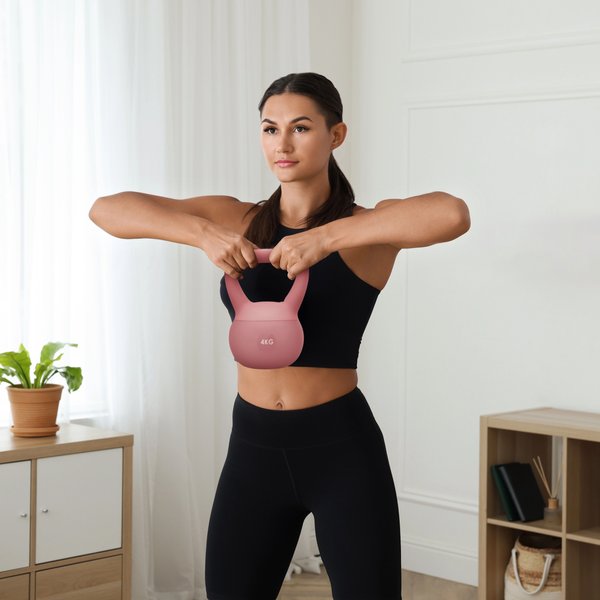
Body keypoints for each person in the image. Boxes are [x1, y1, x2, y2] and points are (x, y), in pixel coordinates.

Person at [90, 72, 470, 600]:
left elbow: (452, 214)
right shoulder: (236, 218)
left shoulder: (365, 230)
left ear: (336, 135)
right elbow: (107, 210)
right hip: (253, 448)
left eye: (301, 128)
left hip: (340, 449)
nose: (282, 144)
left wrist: (325, 238)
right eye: (270, 129)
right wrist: (202, 233)